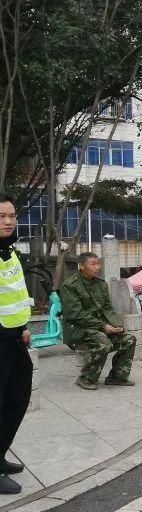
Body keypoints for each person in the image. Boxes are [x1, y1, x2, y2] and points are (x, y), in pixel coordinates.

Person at [61, 252, 137, 391]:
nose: (97, 267)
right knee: (103, 342)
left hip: (98, 328)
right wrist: (103, 326)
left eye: (98, 263)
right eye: (93, 264)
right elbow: (75, 314)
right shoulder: (70, 285)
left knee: (129, 339)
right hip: (78, 329)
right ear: (82, 266)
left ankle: (117, 377)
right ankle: (86, 378)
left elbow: (108, 308)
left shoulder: (101, 285)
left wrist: (117, 325)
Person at [0, 194, 32, 494]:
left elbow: (15, 295)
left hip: (14, 339)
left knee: (17, 398)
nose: (8, 221)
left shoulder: (9, 253)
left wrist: (22, 326)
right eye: (1, 216)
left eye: (11, 215)